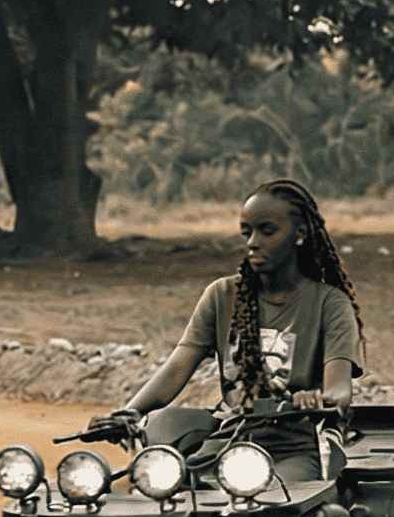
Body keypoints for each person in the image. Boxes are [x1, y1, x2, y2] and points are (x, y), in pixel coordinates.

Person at [99, 177, 365, 486]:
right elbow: (176, 368)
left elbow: (340, 390)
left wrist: (317, 398)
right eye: (246, 232)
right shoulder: (221, 295)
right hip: (226, 443)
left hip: (293, 450)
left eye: (267, 231)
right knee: (142, 488)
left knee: (270, 501)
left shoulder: (330, 304)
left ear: (300, 234)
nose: (253, 241)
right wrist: (130, 412)